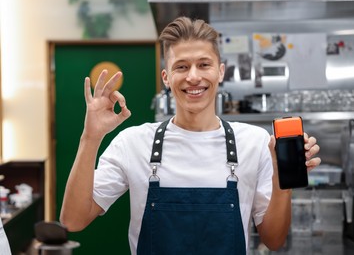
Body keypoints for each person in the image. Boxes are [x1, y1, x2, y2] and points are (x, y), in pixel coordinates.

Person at [60, 16, 321, 254]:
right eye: (181, 67)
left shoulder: (255, 143)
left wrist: (282, 177)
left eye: (204, 64)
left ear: (220, 71)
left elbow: (274, 240)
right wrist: (90, 137)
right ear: (166, 77)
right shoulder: (133, 143)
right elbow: (73, 220)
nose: (193, 77)